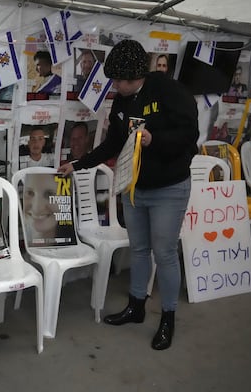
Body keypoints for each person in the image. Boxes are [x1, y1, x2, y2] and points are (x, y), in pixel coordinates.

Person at [58, 39, 199, 351]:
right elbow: (113, 144)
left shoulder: (171, 92)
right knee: (138, 249)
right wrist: (78, 164)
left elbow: (189, 136)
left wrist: (154, 139)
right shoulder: (121, 101)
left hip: (169, 188)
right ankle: (136, 307)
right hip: (134, 187)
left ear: (139, 75)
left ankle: (168, 318)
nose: (117, 87)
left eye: (122, 81)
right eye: (115, 81)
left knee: (163, 254)